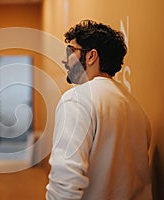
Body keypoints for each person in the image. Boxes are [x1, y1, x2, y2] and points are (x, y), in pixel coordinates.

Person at [46, 20, 152, 200]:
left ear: (91, 56)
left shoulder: (77, 100)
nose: (65, 59)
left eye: (71, 51)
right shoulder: (136, 108)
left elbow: (65, 179)